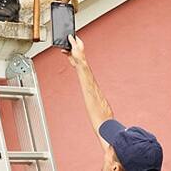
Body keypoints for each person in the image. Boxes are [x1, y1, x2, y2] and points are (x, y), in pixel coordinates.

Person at [64, 35, 163, 170]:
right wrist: (81, 63)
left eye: (110, 146)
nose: (107, 148)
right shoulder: (130, 163)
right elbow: (103, 119)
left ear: (115, 168)